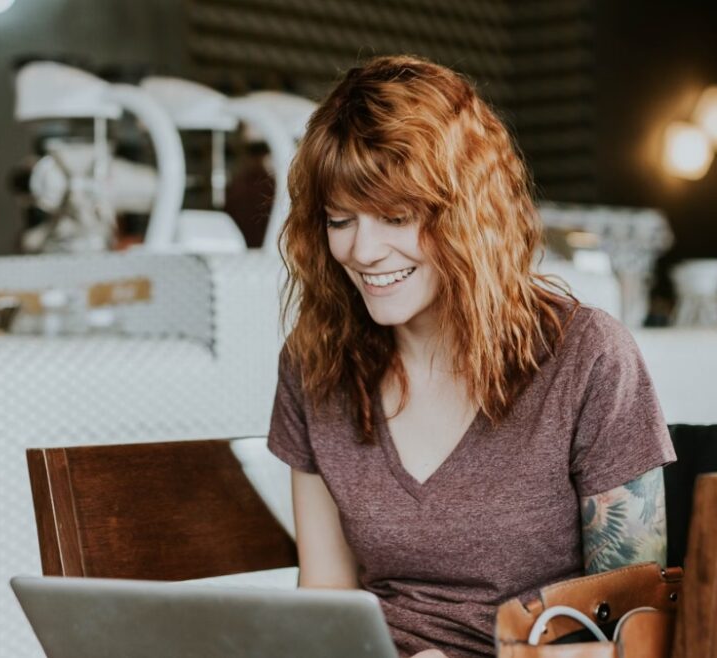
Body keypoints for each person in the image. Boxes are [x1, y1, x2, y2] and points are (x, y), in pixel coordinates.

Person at [268, 55, 676, 658]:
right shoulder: (315, 365)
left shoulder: (587, 358)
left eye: (397, 217)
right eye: (340, 219)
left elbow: (640, 637)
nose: (363, 250)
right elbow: (326, 601)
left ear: (467, 214)